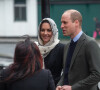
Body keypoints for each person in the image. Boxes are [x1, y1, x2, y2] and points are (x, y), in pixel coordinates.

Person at [56, 9, 100, 90]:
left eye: (65, 22)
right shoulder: (67, 46)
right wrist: (59, 85)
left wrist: (73, 88)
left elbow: (97, 75)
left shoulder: (90, 43)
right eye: (61, 22)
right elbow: (66, 73)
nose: (61, 26)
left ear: (76, 22)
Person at [38, 18, 65, 86]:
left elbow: (67, 72)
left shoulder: (61, 48)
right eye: (42, 30)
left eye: (49, 30)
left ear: (54, 31)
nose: (45, 33)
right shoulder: (35, 48)